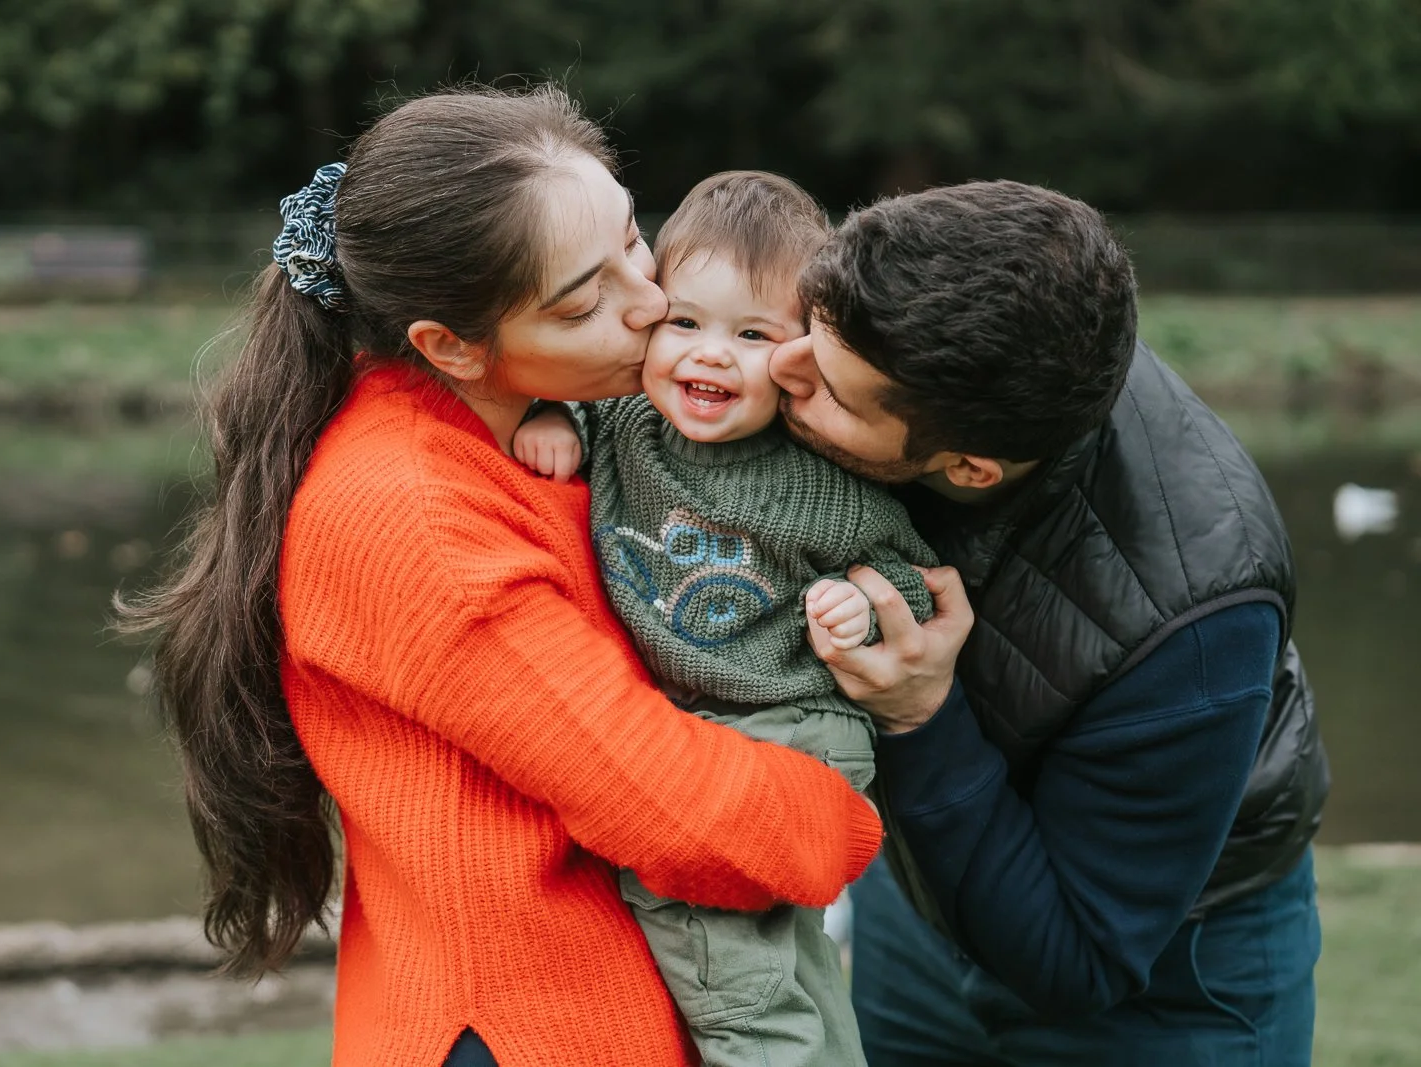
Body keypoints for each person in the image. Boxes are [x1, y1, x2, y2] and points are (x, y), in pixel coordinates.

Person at [118, 86, 884, 1067]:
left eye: (632, 241)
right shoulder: (412, 516)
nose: (650, 304)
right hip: (535, 1024)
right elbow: (675, 808)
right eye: (585, 301)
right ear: (450, 345)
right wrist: (851, 807)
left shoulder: (554, 426)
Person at [767, 179, 1329, 1066]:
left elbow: (1081, 958)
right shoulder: (969, 331)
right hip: (916, 906)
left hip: (1164, 967)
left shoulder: (1197, 618)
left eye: (829, 386)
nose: (779, 366)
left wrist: (919, 714)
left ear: (970, 467)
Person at [513, 170, 938, 1067]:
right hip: (714, 724)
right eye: (686, 323)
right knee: (790, 957)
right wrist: (553, 415)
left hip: (795, 726)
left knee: (720, 967)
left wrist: (860, 601)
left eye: (752, 335)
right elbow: (562, 397)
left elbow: (918, 576)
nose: (710, 355)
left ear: (798, 359)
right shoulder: (622, 422)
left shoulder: (817, 483)